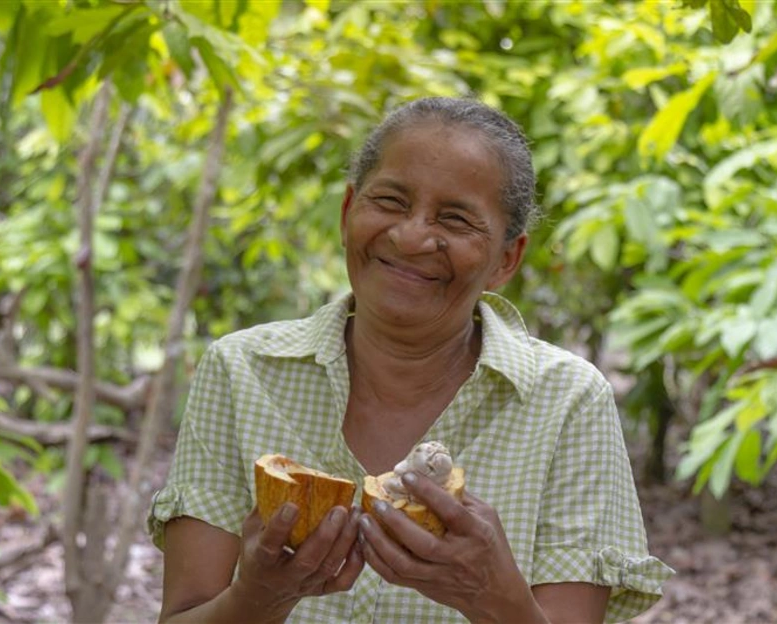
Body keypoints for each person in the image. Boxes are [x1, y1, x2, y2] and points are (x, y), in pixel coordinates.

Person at [148, 97, 673, 623]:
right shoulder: (243, 372)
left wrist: (494, 596)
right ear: (349, 210)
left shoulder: (567, 401)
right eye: (391, 201)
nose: (412, 236)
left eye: (456, 219)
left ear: (505, 259)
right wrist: (256, 597)